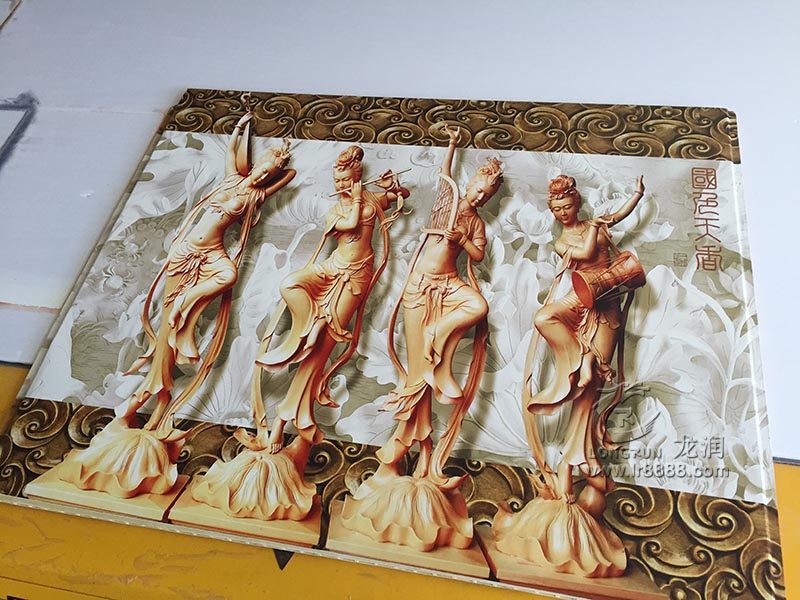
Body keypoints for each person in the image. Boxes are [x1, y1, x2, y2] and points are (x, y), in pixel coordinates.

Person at [115, 112, 296, 435]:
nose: (263, 174)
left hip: (213, 251)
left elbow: (290, 174)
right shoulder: (231, 179)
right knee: (167, 334)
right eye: (261, 169)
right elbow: (231, 152)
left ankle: (185, 303)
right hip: (186, 253)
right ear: (254, 166)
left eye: (268, 173)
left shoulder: (255, 195)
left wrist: (280, 160)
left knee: (228, 275)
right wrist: (241, 127)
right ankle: (147, 401)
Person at [251, 145, 408, 453]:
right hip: (331, 267)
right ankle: (307, 326)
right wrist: (357, 199)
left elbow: (400, 197)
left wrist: (392, 186)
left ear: (357, 177)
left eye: (346, 180)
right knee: (290, 283)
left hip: (356, 276)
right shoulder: (336, 209)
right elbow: (349, 225)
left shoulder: (371, 199)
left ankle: (286, 419)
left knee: (322, 351)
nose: (341, 185)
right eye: (337, 181)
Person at [376, 125, 502, 485]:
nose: (479, 196)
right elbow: (445, 174)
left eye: (486, 195)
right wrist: (451, 143)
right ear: (470, 184)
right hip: (420, 288)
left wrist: (461, 238)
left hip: (448, 285)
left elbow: (477, 256)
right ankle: (418, 451)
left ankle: (437, 333)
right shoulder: (447, 202)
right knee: (418, 373)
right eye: (478, 189)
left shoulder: (474, 223)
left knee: (477, 305)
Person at [524, 173, 645, 505]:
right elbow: (587, 250)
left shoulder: (596, 224)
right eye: (557, 209)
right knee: (544, 317)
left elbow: (618, 216)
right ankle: (581, 356)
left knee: (590, 390)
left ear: (575, 203)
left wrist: (636, 195)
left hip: (608, 303)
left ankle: (572, 461)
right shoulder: (562, 242)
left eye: (566, 206)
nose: (562, 213)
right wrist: (593, 228)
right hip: (579, 299)